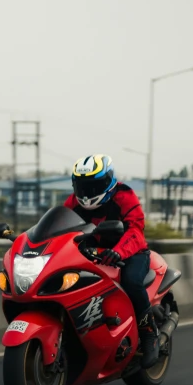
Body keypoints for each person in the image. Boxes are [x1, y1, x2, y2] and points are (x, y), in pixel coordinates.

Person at [63, 154, 159, 368]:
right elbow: (59, 227)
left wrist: (118, 252)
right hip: (93, 253)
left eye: (93, 186)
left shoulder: (124, 196)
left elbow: (135, 229)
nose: (87, 193)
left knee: (132, 282)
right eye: (82, 187)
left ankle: (149, 334)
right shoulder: (72, 203)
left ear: (107, 182)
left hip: (131, 253)